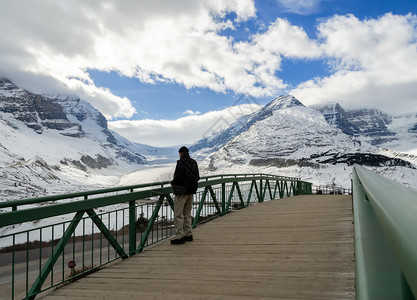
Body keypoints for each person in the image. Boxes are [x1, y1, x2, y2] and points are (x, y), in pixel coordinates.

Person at [170, 146, 200, 244]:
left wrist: (173, 184)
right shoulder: (194, 162)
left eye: (179, 153)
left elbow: (177, 177)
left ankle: (179, 236)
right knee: (187, 214)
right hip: (191, 191)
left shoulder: (180, 163)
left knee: (178, 215)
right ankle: (188, 234)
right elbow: (197, 177)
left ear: (181, 153)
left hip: (181, 192)